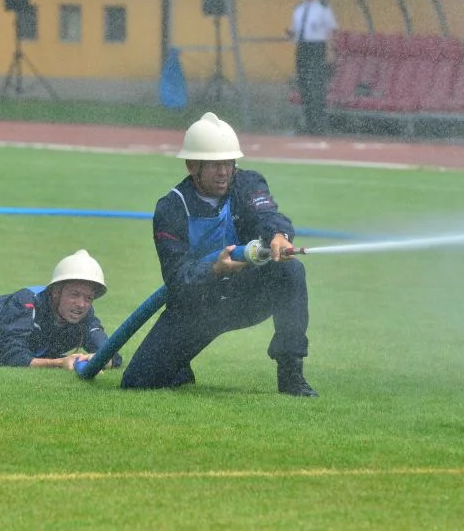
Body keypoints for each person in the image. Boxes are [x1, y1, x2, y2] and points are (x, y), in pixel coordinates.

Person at [120, 112, 318, 397]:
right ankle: (178, 366)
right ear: (192, 166)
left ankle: (291, 374)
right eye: (214, 165)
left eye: (228, 163)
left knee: (290, 271)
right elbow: (177, 277)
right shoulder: (171, 209)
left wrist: (278, 235)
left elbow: (267, 216)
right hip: (198, 306)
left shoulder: (247, 183)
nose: (224, 171)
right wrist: (214, 268)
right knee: (138, 382)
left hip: (245, 296)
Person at [0, 249, 122, 370]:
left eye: (88, 298)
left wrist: (100, 359)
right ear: (56, 292)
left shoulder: (85, 314)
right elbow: (12, 356)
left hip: (4, 309)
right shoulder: (25, 305)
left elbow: (112, 353)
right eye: (74, 294)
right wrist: (58, 363)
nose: (81, 304)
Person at [287, 0, 338, 135]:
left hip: (317, 47)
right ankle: (308, 123)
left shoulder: (323, 7)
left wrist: (330, 51)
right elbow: (294, 29)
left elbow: (330, 30)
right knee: (304, 85)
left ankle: (319, 124)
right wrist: (290, 34)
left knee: (316, 86)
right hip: (303, 47)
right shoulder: (299, 8)